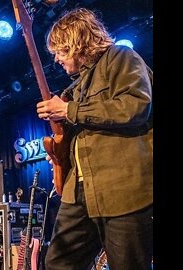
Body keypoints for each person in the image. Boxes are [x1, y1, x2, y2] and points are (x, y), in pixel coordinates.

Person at [35, 8, 153, 270]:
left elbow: (135, 107)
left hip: (122, 188)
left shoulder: (121, 57)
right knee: (58, 263)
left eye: (59, 50)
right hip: (79, 191)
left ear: (76, 42)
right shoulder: (75, 86)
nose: (55, 59)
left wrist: (69, 110)